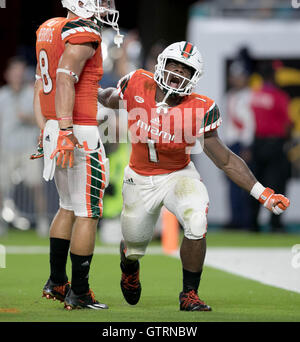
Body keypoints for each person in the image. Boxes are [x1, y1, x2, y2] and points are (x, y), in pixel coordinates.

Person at [98, 41, 290, 312]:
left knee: (197, 220)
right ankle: (129, 266)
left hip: (179, 175)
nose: (177, 73)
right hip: (139, 177)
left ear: (194, 77)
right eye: (174, 65)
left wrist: (263, 193)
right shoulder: (138, 82)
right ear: (161, 64)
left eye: (185, 69)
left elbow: (224, 159)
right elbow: (109, 97)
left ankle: (189, 293)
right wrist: (87, 91)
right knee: (134, 246)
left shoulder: (201, 107)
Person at [32, 0, 123, 310]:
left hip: (58, 125)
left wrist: (49, 129)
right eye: (100, 0)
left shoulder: (49, 27)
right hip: (78, 130)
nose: (104, 8)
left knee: (67, 207)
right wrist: (69, 130)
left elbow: (43, 85)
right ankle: (80, 291)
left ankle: (57, 282)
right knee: (89, 212)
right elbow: (65, 77)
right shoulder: (83, 30)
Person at [0, 56, 48, 236]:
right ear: (8, 74)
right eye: (15, 72)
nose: (18, 76)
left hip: (28, 148)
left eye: (21, 72)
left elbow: (42, 119)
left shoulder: (32, 94)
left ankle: (43, 221)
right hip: (7, 148)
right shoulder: (2, 95)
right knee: (2, 186)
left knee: (36, 186)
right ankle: (2, 221)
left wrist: (27, 118)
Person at [250, 61, 292, 232]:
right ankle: (275, 224)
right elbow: (288, 124)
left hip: (257, 143)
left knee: (255, 183)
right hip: (275, 144)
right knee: (277, 183)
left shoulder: (254, 95)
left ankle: (253, 223)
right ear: (273, 76)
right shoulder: (279, 96)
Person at [222, 52, 255, 229]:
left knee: (245, 181)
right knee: (232, 183)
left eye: (240, 76)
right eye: (234, 76)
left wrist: (247, 145)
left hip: (242, 144)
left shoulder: (250, 95)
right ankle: (235, 219)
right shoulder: (229, 96)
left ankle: (246, 220)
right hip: (230, 143)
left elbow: (249, 123)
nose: (236, 79)